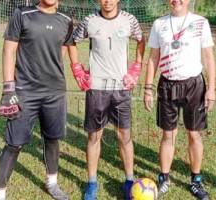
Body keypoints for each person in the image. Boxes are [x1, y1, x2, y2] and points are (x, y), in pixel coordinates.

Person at [0, 0, 73, 200]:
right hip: (24, 91)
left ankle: (52, 184)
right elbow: (9, 50)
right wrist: (8, 88)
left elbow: (64, 47)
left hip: (54, 92)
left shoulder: (66, 19)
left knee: (52, 139)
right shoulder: (22, 14)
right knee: (14, 143)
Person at [68, 0, 145, 199]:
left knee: (124, 137)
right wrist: (77, 69)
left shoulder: (130, 20)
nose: (107, 1)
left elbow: (140, 39)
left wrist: (136, 67)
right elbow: (72, 42)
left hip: (121, 89)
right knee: (94, 137)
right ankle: (92, 183)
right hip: (96, 89)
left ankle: (129, 180)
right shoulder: (89, 21)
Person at [143, 0, 216, 199]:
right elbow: (153, 58)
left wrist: (211, 89)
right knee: (169, 135)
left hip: (194, 85)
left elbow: (209, 57)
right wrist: (148, 88)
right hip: (167, 84)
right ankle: (164, 178)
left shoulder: (201, 22)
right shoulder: (159, 24)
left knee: (194, 134)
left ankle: (196, 180)